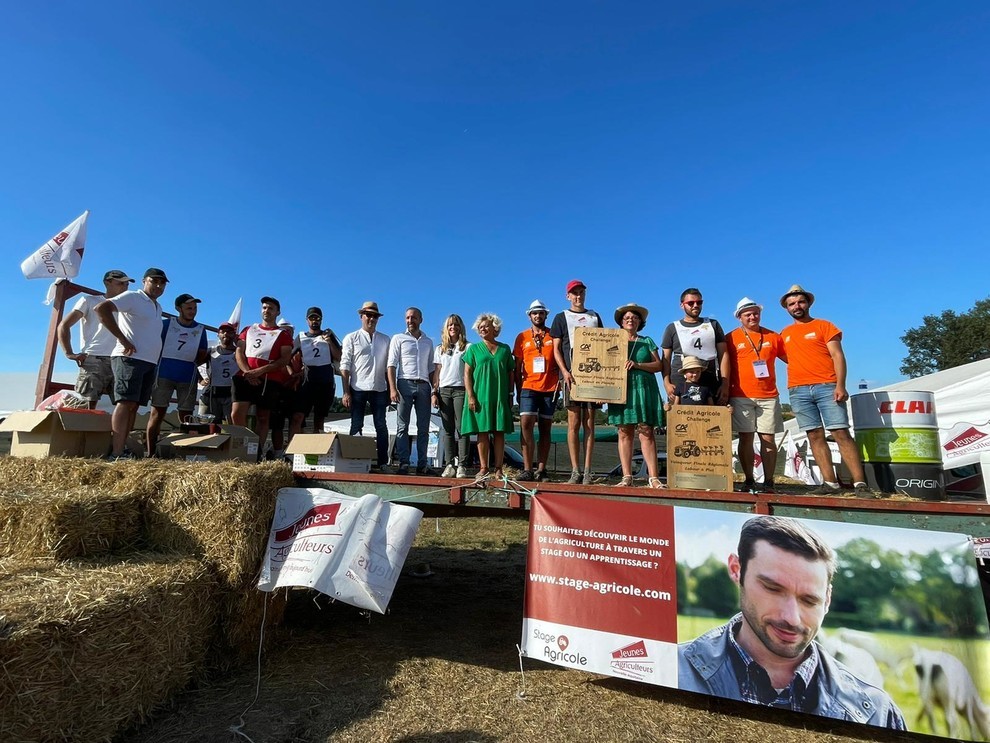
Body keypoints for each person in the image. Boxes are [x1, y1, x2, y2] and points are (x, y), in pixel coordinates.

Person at [678, 516, 906, 729]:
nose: (791, 618)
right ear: (737, 570)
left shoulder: (878, 713)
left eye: (809, 600)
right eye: (773, 589)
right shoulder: (668, 670)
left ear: (827, 599)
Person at [780, 285, 870, 495]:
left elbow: (838, 355)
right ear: (787, 308)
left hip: (826, 386)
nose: (796, 306)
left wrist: (840, 385)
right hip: (798, 389)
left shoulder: (824, 325)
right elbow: (786, 357)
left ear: (808, 303)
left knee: (840, 432)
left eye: (800, 302)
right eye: (792, 304)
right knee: (814, 435)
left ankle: (860, 483)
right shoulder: (785, 333)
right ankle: (830, 483)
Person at [95, 267, 169, 459]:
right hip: (129, 358)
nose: (158, 286)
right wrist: (123, 339)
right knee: (125, 402)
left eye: (162, 283)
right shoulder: (133, 297)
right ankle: (116, 453)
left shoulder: (158, 307)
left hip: (148, 361)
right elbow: (101, 309)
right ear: (144, 281)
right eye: (154, 281)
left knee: (134, 406)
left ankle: (122, 449)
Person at [726, 297, 787, 494]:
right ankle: (749, 480)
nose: (752, 317)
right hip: (741, 395)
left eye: (755, 313)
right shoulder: (730, 338)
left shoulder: (774, 336)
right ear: (739, 317)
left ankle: (769, 482)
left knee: (768, 439)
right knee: (746, 438)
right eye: (747, 314)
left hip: (769, 395)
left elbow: (791, 359)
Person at [550, 279, 605, 485]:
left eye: (581, 292)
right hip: (571, 377)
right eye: (574, 293)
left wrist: (603, 380)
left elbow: (603, 346)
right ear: (568, 296)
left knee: (589, 423)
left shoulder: (594, 316)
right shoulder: (561, 317)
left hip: (592, 376)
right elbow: (556, 349)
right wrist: (564, 372)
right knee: (573, 423)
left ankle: (588, 470)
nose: (578, 296)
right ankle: (575, 470)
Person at [58, 269, 135, 409]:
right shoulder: (89, 300)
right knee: (86, 404)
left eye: (127, 284)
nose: (125, 287)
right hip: (94, 358)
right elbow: (64, 325)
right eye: (120, 283)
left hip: (121, 358)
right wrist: (69, 353)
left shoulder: (129, 308)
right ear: (107, 282)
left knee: (124, 405)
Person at [607, 303, 665, 489]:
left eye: (634, 317)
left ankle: (653, 477)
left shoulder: (647, 341)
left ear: (640, 321)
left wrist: (638, 365)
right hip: (621, 389)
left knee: (646, 431)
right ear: (621, 322)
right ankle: (627, 476)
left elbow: (658, 365)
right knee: (624, 431)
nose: (630, 320)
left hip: (643, 389)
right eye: (626, 318)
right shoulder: (612, 341)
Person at [230, 297, 294, 461]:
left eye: (271, 308)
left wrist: (260, 371)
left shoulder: (283, 334)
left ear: (277, 312)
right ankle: (242, 447)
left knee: (263, 417)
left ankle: (255, 452)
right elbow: (239, 352)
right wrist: (248, 372)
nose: (267, 311)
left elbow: (284, 359)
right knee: (236, 414)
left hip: (268, 379)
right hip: (244, 376)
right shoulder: (249, 329)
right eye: (264, 307)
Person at [146, 293, 209, 456]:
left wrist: (195, 366)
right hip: (164, 373)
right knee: (157, 413)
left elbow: (202, 353)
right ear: (178, 308)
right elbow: (154, 344)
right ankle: (151, 453)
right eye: (188, 308)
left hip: (187, 376)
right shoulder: (166, 324)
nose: (192, 311)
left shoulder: (200, 329)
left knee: (186, 416)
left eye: (194, 308)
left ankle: (184, 452)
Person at [462, 313, 515, 482]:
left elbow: (511, 372)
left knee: (499, 433)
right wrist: (471, 395)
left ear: (495, 328)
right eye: (480, 327)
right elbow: (467, 373)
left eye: (486, 326)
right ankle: (484, 468)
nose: (483, 329)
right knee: (482, 432)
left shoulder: (505, 349)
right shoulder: (473, 349)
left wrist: (511, 394)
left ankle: (498, 469)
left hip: (499, 396)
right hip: (480, 396)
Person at [340, 302, 391, 471]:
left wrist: (391, 390)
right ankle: (355, 461)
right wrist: (346, 392)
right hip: (358, 388)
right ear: (361, 316)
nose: (371, 319)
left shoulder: (385, 339)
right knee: (356, 425)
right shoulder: (351, 337)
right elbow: (344, 366)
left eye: (375, 316)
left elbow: (388, 367)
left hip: (380, 388)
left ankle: (383, 463)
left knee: (381, 426)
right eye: (368, 315)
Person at [513, 300, 559, 482]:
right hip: (528, 386)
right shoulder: (522, 337)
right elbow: (517, 366)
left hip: (550, 387)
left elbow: (560, 358)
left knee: (545, 428)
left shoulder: (554, 334)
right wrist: (517, 389)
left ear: (546, 315)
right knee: (526, 424)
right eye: (534, 313)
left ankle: (541, 469)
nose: (538, 316)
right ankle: (527, 469)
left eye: (541, 313)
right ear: (529, 316)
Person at [387, 307, 437, 475]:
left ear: (420, 320)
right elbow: (391, 364)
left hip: (424, 384)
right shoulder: (398, 338)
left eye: (414, 317)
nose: (410, 320)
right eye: (408, 317)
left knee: (424, 427)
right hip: (404, 383)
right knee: (402, 426)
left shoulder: (428, 341)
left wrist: (434, 390)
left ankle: (423, 464)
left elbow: (431, 368)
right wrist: (393, 388)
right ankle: (404, 463)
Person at [661, 288, 730, 405]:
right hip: (680, 381)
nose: (695, 305)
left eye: (699, 302)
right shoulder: (672, 328)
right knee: (679, 415)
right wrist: (666, 383)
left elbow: (723, 355)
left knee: (712, 415)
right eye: (691, 303)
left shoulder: (713, 325)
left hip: (709, 380)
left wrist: (725, 384)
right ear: (682, 305)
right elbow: (665, 359)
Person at [290, 307, 342, 438]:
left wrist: (329, 341)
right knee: (297, 417)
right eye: (312, 318)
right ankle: (292, 448)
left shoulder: (328, 335)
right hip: (307, 382)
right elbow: (287, 357)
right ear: (307, 320)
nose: (314, 321)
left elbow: (339, 356)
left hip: (325, 382)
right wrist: (292, 373)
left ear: (321, 319)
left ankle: (317, 447)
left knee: (319, 420)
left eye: (317, 318)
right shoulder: (301, 337)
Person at [433, 314, 469, 479]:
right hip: (444, 391)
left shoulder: (467, 347)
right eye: (450, 325)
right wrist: (434, 392)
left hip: (461, 390)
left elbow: (470, 371)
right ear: (446, 328)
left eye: (456, 325)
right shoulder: (440, 348)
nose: (453, 327)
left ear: (460, 327)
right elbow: (437, 372)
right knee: (447, 430)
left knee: (462, 429)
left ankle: (462, 465)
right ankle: (449, 465)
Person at [198, 321, 238, 424]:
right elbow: (193, 364)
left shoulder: (239, 353)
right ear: (218, 334)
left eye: (229, 332)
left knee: (230, 426)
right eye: (223, 331)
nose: (226, 334)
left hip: (231, 394)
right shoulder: (211, 351)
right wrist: (200, 379)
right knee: (205, 425)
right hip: (211, 393)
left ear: (234, 334)